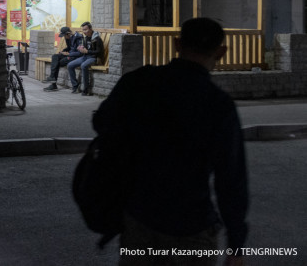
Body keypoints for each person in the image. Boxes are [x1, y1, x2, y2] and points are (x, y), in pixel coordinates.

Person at [94, 17, 248, 266]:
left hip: (140, 218)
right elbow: (231, 179)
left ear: (177, 44)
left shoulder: (138, 82)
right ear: (221, 52)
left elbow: (102, 122)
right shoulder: (217, 103)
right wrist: (236, 245)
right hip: (192, 224)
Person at [67, 21, 103, 95]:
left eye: (86, 29)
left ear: (90, 29)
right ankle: (75, 86)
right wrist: (81, 48)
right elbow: (85, 50)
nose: (84, 31)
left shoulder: (97, 39)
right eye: (83, 30)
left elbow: (99, 52)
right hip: (85, 56)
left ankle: (86, 89)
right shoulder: (86, 38)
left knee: (83, 65)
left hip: (93, 58)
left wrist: (87, 51)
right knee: (70, 65)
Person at [43, 26, 83, 91]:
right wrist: (63, 52)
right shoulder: (68, 37)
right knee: (55, 56)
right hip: (70, 54)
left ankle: (53, 84)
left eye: (64, 35)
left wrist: (69, 54)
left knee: (57, 63)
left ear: (68, 33)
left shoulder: (78, 38)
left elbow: (80, 53)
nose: (64, 37)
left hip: (75, 56)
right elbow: (69, 48)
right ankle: (52, 77)